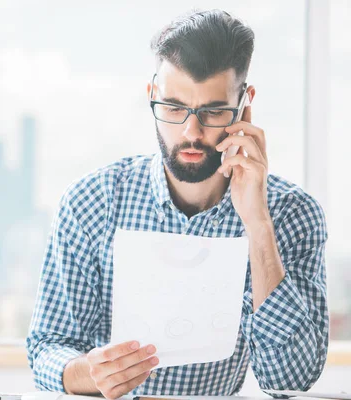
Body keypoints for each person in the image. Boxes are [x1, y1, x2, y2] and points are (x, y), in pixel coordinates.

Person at [26, 9, 328, 400]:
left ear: (245, 105)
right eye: (173, 108)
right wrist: (89, 373)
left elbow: (291, 380)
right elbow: (47, 349)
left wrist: (258, 226)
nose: (191, 132)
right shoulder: (92, 202)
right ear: (152, 95)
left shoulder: (291, 214)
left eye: (213, 112)